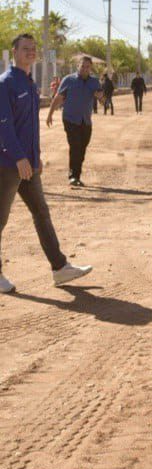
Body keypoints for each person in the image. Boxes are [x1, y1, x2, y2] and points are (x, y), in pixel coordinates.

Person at [0, 34, 93, 294]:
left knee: (41, 213)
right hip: (7, 164)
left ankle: (60, 268)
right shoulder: (6, 83)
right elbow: (4, 126)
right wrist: (18, 157)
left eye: (33, 49)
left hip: (28, 164)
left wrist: (35, 155)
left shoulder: (29, 83)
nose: (30, 52)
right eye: (25, 48)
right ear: (14, 51)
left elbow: (30, 127)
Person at [45, 55, 103, 187]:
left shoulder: (94, 82)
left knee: (82, 148)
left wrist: (101, 98)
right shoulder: (68, 80)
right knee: (75, 146)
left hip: (86, 121)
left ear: (90, 68)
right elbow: (58, 98)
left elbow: (102, 99)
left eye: (87, 67)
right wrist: (50, 114)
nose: (84, 69)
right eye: (82, 66)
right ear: (78, 66)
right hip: (70, 119)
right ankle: (73, 176)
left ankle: (76, 173)